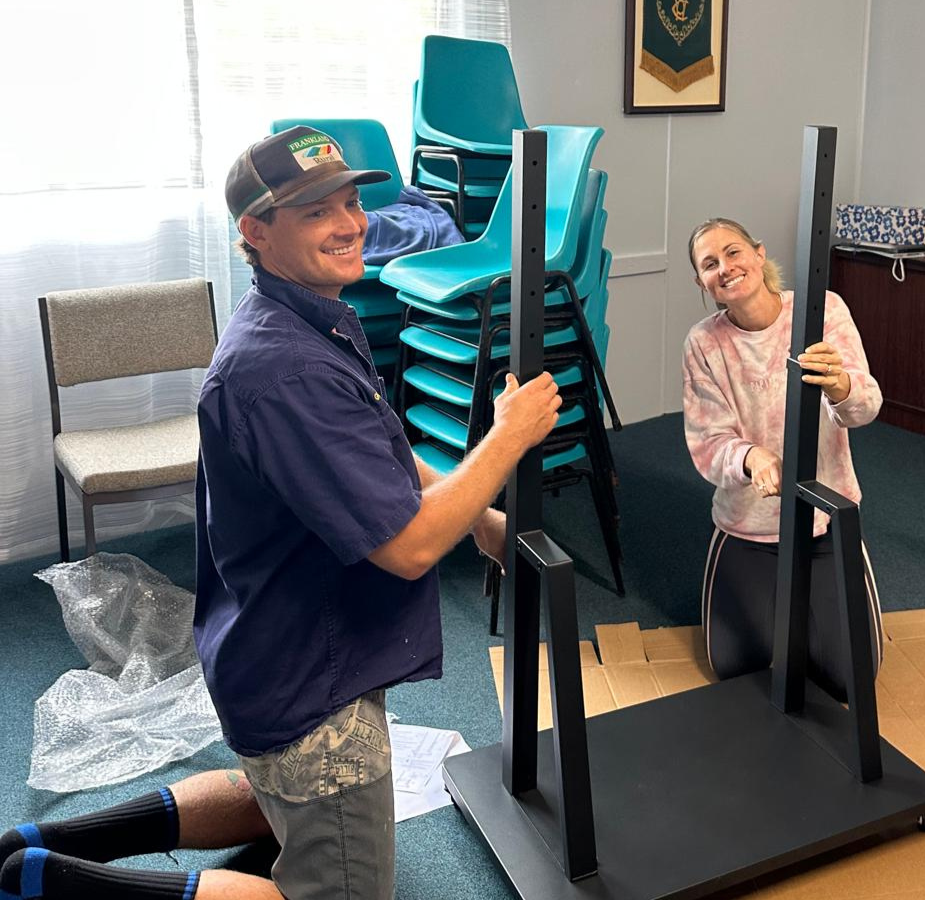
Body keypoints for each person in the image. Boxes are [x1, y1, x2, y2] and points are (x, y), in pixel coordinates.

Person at [0, 126, 561, 899]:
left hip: (276, 646)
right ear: (256, 232)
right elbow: (407, 546)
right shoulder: (287, 370)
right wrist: (506, 440)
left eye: (352, 202)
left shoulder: (299, 317)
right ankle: (50, 880)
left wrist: (479, 519)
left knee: (275, 793)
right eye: (315, 212)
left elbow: (381, 448)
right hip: (310, 673)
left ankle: (49, 842)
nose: (350, 224)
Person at [681, 217, 884, 698]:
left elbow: (866, 407)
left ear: (759, 253)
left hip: (823, 519)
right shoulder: (704, 343)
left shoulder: (823, 310)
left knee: (849, 679)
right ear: (701, 283)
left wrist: (841, 386)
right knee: (735, 667)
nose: (725, 268)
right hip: (748, 527)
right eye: (710, 264)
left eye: (733, 252)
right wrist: (752, 459)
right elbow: (708, 442)